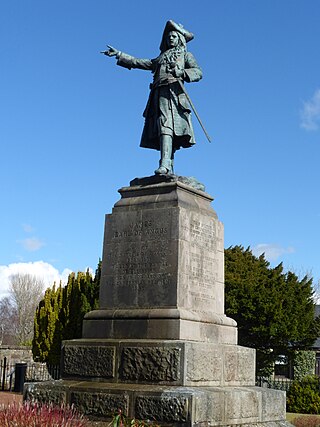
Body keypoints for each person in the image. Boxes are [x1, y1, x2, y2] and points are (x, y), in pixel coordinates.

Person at [103, 20, 202, 175]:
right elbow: (140, 62)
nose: (170, 38)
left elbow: (198, 72)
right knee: (164, 127)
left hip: (174, 96)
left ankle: (165, 164)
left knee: (167, 126)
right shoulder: (160, 58)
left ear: (180, 40)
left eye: (174, 36)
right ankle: (167, 165)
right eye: (168, 36)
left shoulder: (185, 55)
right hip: (158, 95)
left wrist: (182, 73)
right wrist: (120, 55)